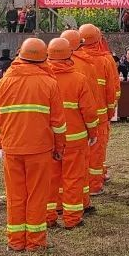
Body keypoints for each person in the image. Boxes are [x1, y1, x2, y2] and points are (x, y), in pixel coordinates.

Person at [0, 38, 66, 251]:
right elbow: (58, 123)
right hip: (40, 150)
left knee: (15, 196)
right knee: (37, 196)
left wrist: (1, 144)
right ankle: (35, 242)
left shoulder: (4, 82)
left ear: (20, 55)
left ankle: (15, 242)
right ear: (44, 58)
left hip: (12, 148)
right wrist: (59, 148)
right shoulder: (49, 83)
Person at [46, 37, 99, 228]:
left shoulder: (43, 79)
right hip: (75, 139)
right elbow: (89, 112)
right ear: (70, 54)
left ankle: (49, 216)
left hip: (50, 139)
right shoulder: (78, 79)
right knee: (73, 179)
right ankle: (72, 218)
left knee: (51, 179)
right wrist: (93, 132)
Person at [73, 24, 119, 194]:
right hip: (99, 116)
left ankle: (89, 180)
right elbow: (113, 89)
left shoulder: (73, 58)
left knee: (79, 152)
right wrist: (110, 111)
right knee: (97, 151)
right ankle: (94, 184)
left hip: (77, 116)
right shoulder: (105, 59)